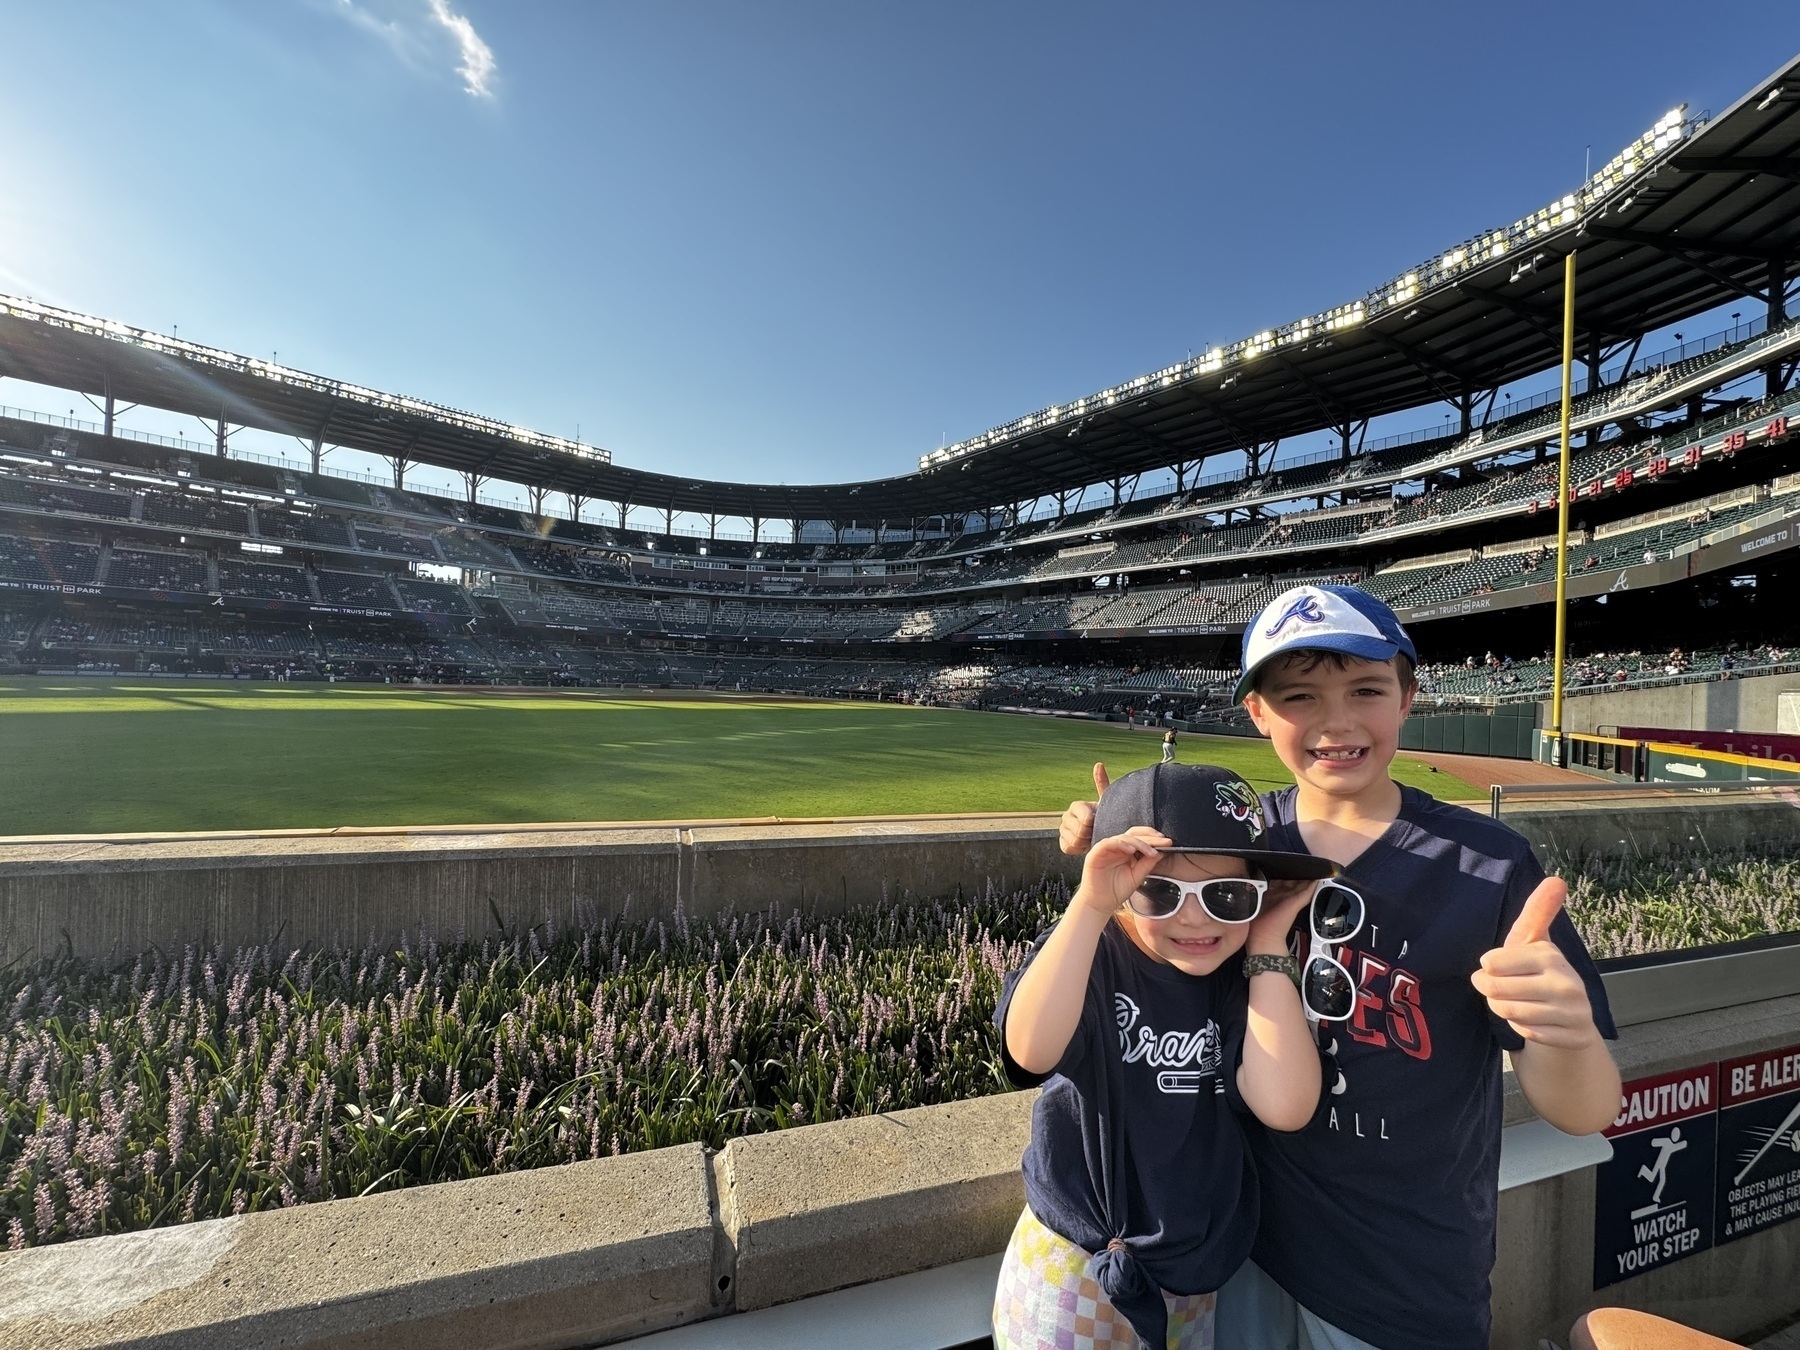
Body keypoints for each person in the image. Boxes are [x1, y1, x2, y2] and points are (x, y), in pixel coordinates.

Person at [1057, 584, 1620, 1350]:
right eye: (1300, 696)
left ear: (1407, 697)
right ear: (1258, 714)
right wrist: (1120, 854)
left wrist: (1566, 1033)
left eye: (1366, 689)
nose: (1338, 721)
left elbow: (1584, 1112)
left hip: (1406, 1278)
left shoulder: (1487, 865)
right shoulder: (1240, 846)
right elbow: (1147, 968)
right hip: (1244, 1251)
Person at [994, 763, 1334, 1350]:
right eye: (1159, 890)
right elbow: (1031, 1049)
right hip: (1074, 1260)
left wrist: (1267, 941)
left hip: (1190, 1274)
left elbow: (1286, 1104)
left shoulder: (1240, 979)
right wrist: (1091, 905)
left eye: (1228, 895)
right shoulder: (1097, 954)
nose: (1196, 917)